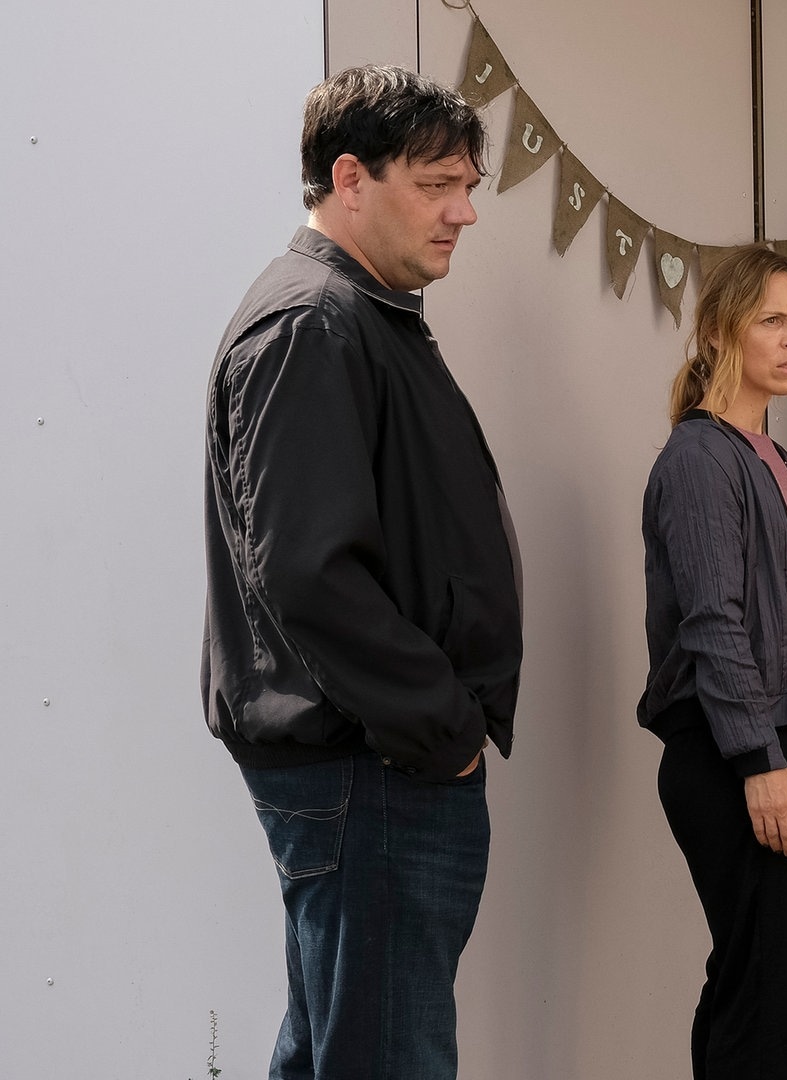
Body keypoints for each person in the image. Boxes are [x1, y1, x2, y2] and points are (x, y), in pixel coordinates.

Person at [202, 65, 517, 1078]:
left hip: (378, 761)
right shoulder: (313, 324)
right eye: (436, 185)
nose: (464, 211)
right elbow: (309, 575)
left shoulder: (362, 315)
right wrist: (443, 729)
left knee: (341, 1049)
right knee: (387, 1058)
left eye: (467, 185)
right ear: (350, 177)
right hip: (374, 767)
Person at [638, 247, 787, 1080]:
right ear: (721, 331)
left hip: (776, 735)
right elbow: (714, 623)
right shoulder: (699, 458)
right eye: (772, 321)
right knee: (760, 991)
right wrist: (762, 760)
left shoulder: (767, 455)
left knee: (756, 984)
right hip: (728, 752)